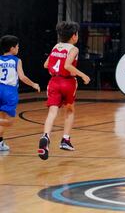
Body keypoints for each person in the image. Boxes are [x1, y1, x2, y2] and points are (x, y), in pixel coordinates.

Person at [38, 21, 91, 160]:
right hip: (68, 82)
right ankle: (65, 140)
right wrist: (82, 75)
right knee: (70, 110)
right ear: (74, 36)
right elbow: (68, 65)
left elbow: (46, 64)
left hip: (54, 82)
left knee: (52, 112)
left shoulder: (56, 47)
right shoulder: (74, 49)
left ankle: (46, 136)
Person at [0, 35, 41, 151]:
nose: (18, 48)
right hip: (10, 92)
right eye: (17, 46)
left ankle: (0, 142)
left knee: (2, 118)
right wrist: (33, 84)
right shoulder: (16, 60)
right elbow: (22, 77)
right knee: (8, 121)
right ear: (12, 48)